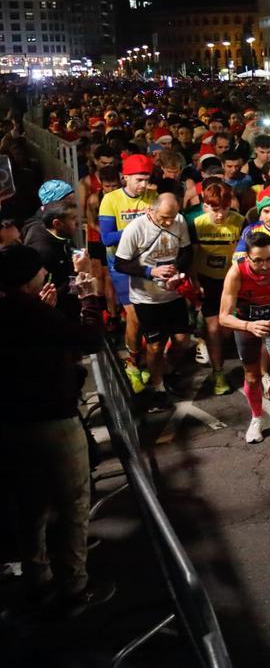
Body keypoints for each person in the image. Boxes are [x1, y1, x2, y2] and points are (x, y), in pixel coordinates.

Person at [0, 244, 114, 618]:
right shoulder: (34, 312)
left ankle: (38, 577)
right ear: (30, 277)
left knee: (28, 505)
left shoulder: (16, 310)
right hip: (54, 422)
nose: (45, 276)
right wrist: (91, 299)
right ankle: (75, 586)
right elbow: (89, 339)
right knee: (73, 504)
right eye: (40, 272)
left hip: (12, 424)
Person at [112, 193, 194, 411]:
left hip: (173, 294)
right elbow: (120, 264)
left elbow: (186, 251)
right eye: (164, 218)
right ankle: (157, 388)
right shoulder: (135, 229)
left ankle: (166, 372)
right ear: (151, 210)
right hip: (146, 298)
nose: (169, 222)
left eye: (172, 217)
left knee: (182, 340)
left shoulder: (179, 222)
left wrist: (180, 271)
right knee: (155, 345)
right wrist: (150, 271)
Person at [219, 231, 270, 444]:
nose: (264, 265)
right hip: (246, 324)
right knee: (252, 377)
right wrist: (249, 326)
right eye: (258, 261)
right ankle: (256, 418)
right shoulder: (236, 273)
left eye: (269, 259)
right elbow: (224, 317)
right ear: (247, 256)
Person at [98, 152, 158, 389]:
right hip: (121, 264)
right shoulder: (111, 200)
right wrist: (138, 226)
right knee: (133, 314)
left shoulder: (152, 196)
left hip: (148, 262)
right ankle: (132, 362)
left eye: (147, 179)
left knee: (149, 313)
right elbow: (106, 238)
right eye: (138, 180)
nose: (144, 185)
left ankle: (147, 357)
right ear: (125, 178)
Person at [187, 180, 245, 396]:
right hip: (207, 280)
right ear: (205, 204)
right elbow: (191, 257)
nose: (220, 215)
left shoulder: (240, 221)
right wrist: (195, 282)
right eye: (215, 209)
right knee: (214, 329)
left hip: (232, 282)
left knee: (228, 331)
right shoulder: (196, 224)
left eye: (224, 209)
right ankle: (218, 372)